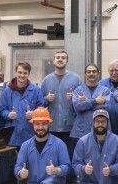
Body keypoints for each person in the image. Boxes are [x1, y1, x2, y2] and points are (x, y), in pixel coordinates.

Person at [41, 49, 82, 178]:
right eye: (58, 57)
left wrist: (75, 98)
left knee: (69, 157)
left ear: (67, 61)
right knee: (53, 158)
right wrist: (46, 99)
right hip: (52, 127)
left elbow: (82, 102)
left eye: (63, 57)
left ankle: (70, 180)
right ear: (54, 60)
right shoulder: (47, 80)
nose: (60, 59)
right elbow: (40, 105)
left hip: (70, 127)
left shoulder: (75, 79)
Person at [14, 107, 71, 184]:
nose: (40, 127)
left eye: (44, 124)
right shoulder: (25, 146)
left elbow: (67, 166)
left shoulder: (59, 144)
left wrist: (56, 170)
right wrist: (20, 173)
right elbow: (18, 167)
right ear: (33, 125)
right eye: (37, 124)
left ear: (48, 124)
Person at [72, 109, 118, 183]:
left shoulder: (117, 140)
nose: (100, 124)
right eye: (97, 121)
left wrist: (111, 169)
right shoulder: (83, 141)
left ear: (108, 123)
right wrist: (84, 169)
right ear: (93, 123)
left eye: (103, 121)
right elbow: (75, 164)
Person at [0, 61, 44, 146]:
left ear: (29, 74)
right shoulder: (7, 91)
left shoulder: (36, 90)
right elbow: (2, 109)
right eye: (20, 72)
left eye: (25, 73)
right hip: (12, 135)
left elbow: (41, 109)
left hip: (29, 134)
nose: (22, 75)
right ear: (16, 72)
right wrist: (8, 115)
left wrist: (34, 113)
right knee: (12, 158)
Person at [71, 64, 110, 146]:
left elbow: (106, 108)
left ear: (98, 74)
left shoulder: (105, 90)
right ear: (85, 74)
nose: (91, 73)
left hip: (101, 130)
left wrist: (86, 102)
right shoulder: (78, 90)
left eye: (94, 71)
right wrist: (95, 101)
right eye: (89, 72)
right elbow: (77, 107)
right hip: (81, 130)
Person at [98, 59, 118, 145]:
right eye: (111, 70)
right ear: (108, 71)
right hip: (105, 121)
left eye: (116, 70)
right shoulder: (101, 84)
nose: (114, 73)